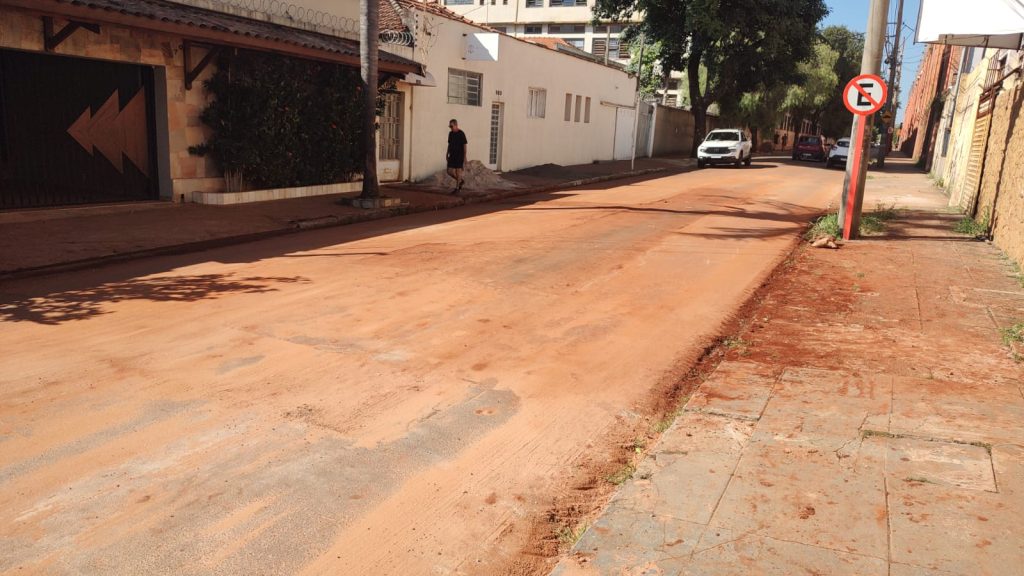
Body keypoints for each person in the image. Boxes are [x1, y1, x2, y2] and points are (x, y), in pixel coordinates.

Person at [446, 119, 468, 194]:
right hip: (452, 155)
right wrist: (447, 153)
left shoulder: (461, 134)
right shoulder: (450, 134)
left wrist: (464, 156)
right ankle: (460, 180)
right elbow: (449, 144)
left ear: (456, 125)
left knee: (458, 172)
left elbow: (464, 145)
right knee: (449, 171)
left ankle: (457, 188)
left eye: (451, 126)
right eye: (450, 126)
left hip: (459, 155)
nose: (450, 128)